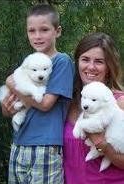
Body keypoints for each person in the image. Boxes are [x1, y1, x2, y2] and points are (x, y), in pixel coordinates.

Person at [1, 4, 74, 184]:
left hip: (45, 145)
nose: (37, 36)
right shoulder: (29, 63)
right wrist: (7, 107)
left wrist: (13, 84)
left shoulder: (61, 62)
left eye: (44, 30)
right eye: (31, 31)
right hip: (19, 142)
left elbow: (45, 103)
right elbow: (7, 109)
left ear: (57, 31)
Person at [63, 32, 124, 184]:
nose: (91, 67)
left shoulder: (119, 103)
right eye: (85, 59)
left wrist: (101, 144)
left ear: (109, 67)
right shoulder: (66, 101)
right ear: (77, 62)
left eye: (99, 61)